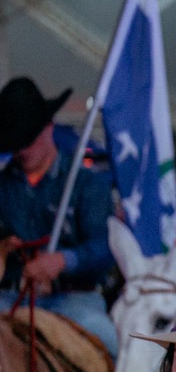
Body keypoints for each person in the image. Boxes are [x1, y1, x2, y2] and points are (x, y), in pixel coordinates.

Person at [0, 76, 117, 354]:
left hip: (74, 300)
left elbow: (105, 247)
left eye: (28, 139)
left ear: (49, 127)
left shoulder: (87, 184)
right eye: (16, 142)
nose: (22, 149)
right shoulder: (2, 186)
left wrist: (64, 260)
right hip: (9, 296)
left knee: (107, 340)